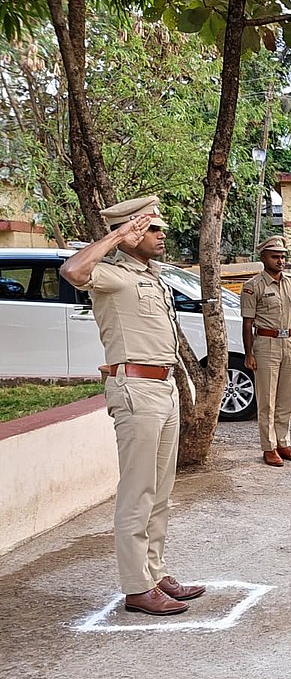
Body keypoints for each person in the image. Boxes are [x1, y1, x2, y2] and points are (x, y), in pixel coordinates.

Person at [59, 196, 205, 616]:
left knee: (160, 490)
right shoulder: (111, 275)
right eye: (153, 229)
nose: (162, 236)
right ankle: (136, 586)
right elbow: (72, 271)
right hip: (135, 389)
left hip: (163, 388)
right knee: (137, 490)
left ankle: (154, 573)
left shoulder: (152, 277)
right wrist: (117, 236)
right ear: (132, 234)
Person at [241, 235, 291, 467]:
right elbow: (248, 323)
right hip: (266, 344)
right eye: (275, 256)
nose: (280, 261)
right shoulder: (253, 287)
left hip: (288, 342)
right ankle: (268, 447)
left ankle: (284, 443)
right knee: (267, 399)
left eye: (282, 256)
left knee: (287, 399)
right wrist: (249, 353)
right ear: (263, 258)